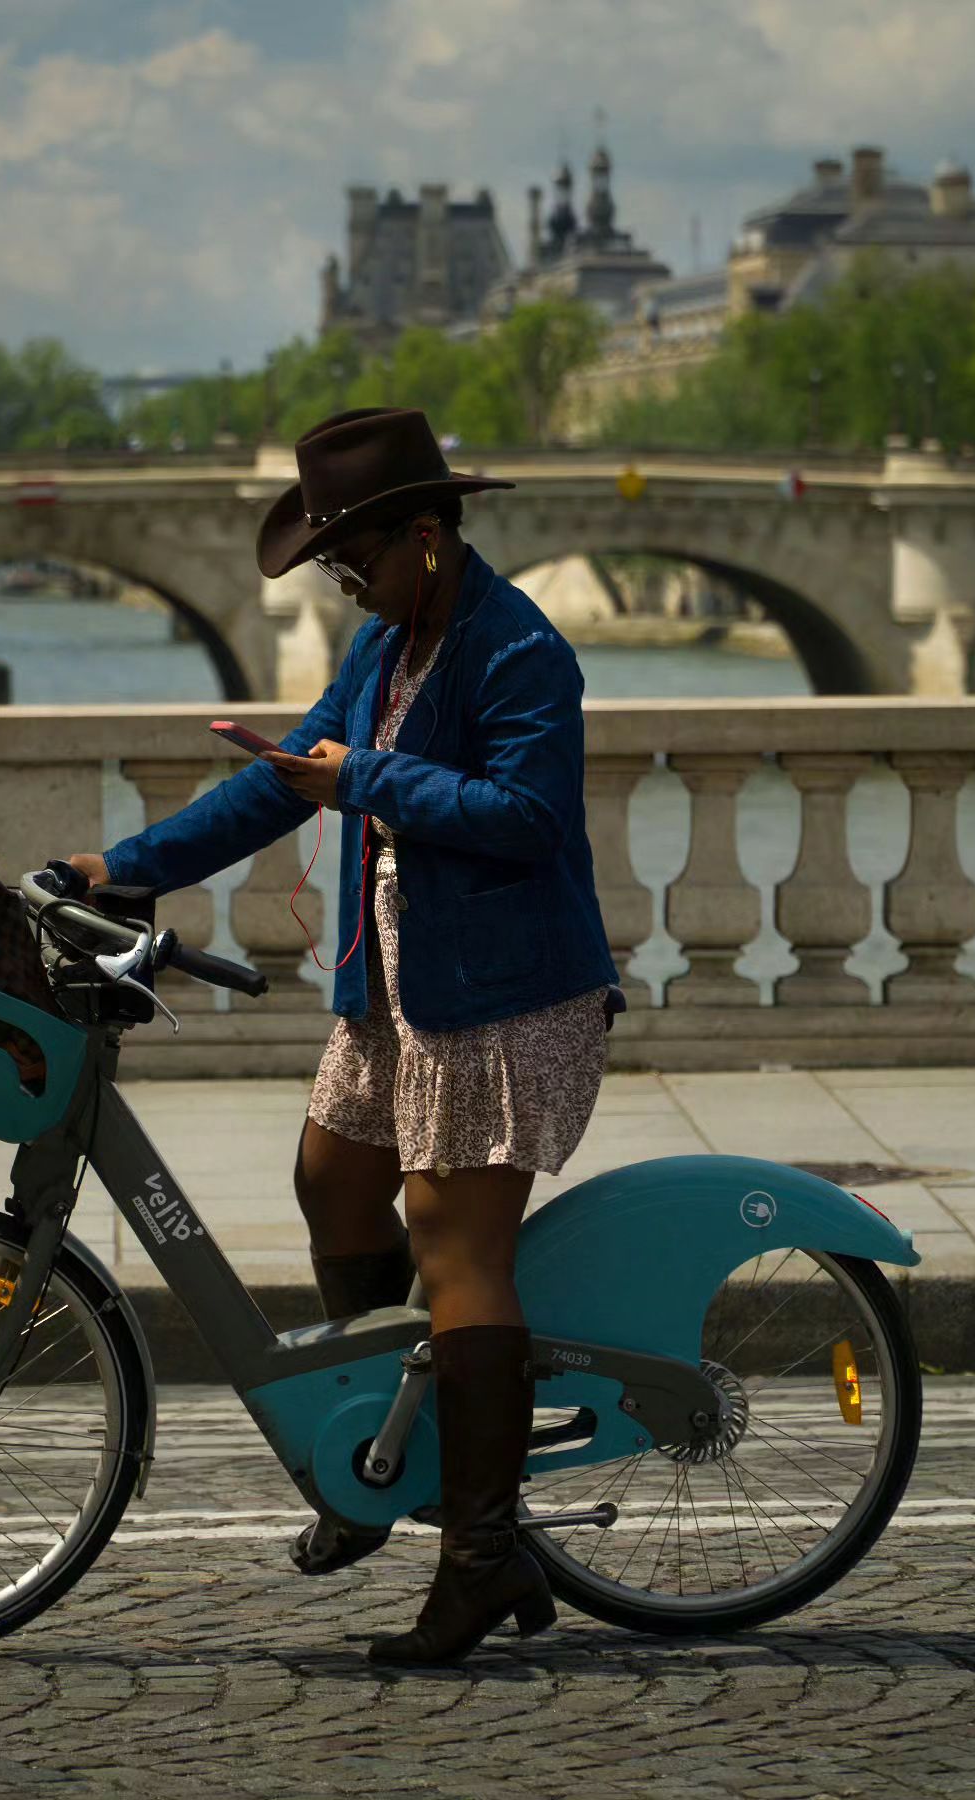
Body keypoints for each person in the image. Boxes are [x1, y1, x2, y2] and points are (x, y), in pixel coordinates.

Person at [68, 408, 619, 1666]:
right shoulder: (388, 644)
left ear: (425, 536)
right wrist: (123, 866)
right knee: (331, 1184)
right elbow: (280, 779)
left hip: (505, 1002)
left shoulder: (516, 649)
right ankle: (395, 1441)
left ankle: (480, 1554)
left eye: (352, 557)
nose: (342, 580)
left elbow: (528, 815)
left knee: (454, 1242)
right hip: (400, 992)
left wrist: (362, 780)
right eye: (332, 563)